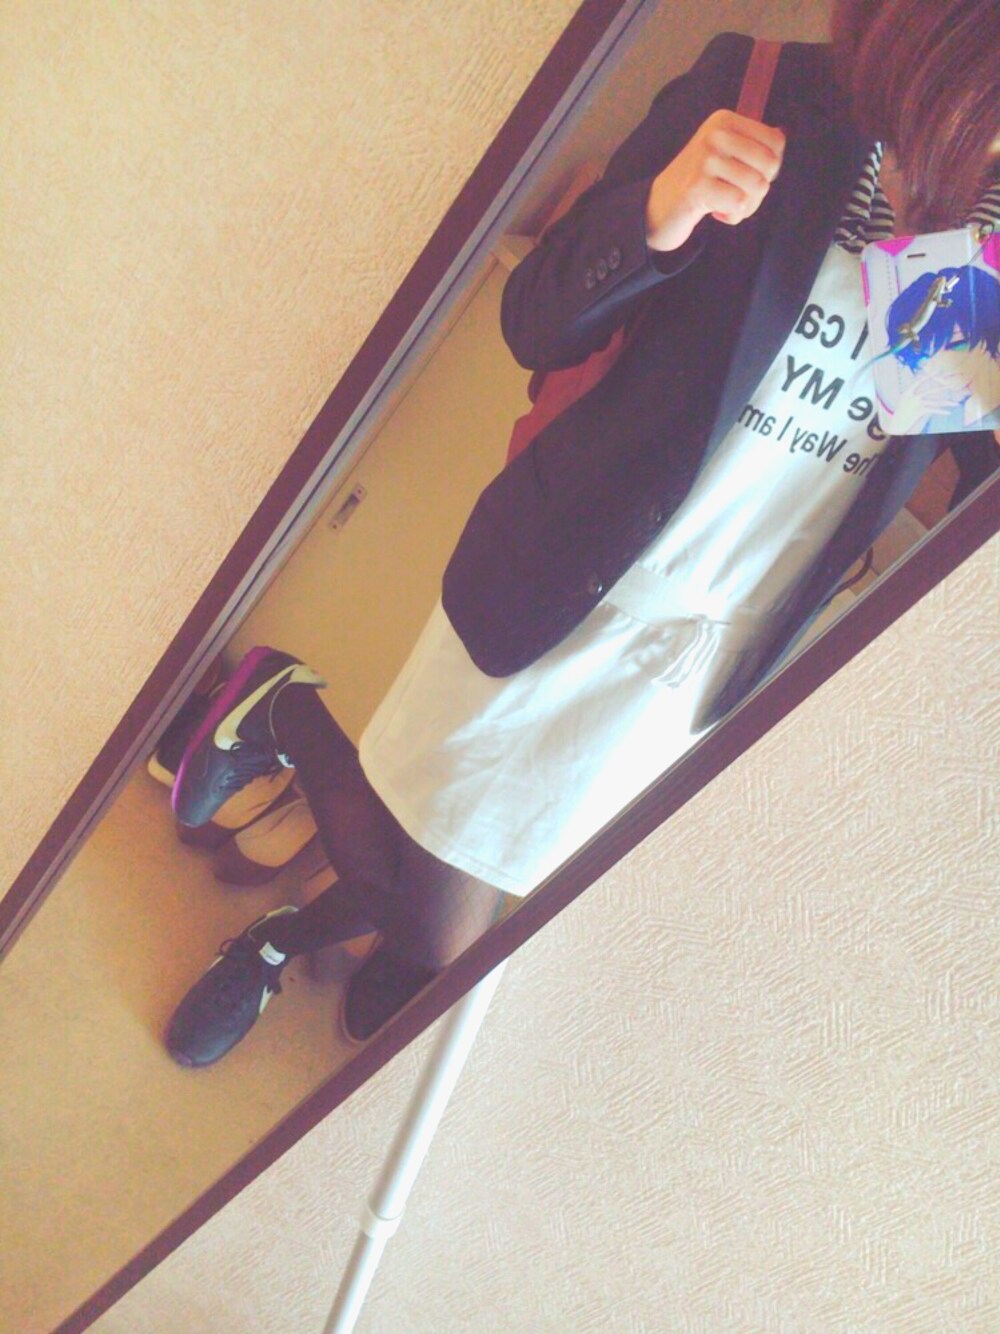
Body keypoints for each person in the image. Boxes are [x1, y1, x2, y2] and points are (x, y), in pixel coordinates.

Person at [166, 0, 1000, 1067]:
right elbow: (536, 320)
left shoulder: (989, 231)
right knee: (438, 921)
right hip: (572, 571)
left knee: (481, 859)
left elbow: (960, 490)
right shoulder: (765, 92)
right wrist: (658, 212)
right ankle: (284, 721)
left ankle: (284, 902)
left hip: (709, 654)